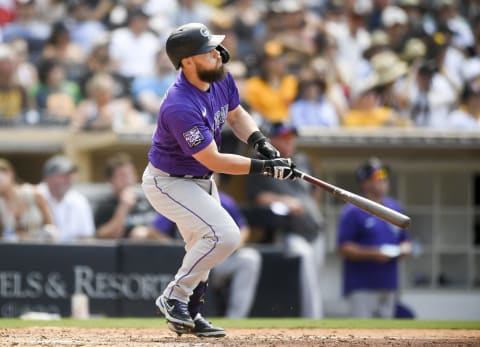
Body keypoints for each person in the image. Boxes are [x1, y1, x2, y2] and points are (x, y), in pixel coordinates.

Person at [141, 22, 295, 338]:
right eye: (206, 51)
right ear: (187, 61)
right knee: (225, 236)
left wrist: (260, 141)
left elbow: (236, 115)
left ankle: (192, 313)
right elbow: (214, 160)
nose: (216, 53)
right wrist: (265, 168)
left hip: (199, 180)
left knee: (204, 246)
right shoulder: (179, 104)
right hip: (168, 182)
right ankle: (174, 296)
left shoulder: (220, 77)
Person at [148, 176, 261, 319]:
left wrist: (228, 248)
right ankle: (178, 303)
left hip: (219, 260)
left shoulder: (225, 200)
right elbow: (155, 230)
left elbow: (243, 229)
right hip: (189, 256)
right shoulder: (181, 197)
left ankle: (235, 318)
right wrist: (176, 248)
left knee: (250, 258)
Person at [246, 122, 326, 319]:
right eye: (284, 136)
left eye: (292, 136)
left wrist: (310, 210)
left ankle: (313, 319)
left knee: (315, 279)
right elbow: (258, 197)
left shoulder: (302, 160)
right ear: (272, 139)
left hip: (314, 230)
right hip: (290, 232)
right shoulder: (261, 161)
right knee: (307, 277)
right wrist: (286, 201)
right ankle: (312, 320)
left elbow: (314, 192)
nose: (290, 140)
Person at [337, 157, 411, 319]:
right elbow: (343, 247)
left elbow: (405, 240)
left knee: (387, 336)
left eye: (384, 176)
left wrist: (404, 249)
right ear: (365, 182)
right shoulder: (352, 210)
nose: (383, 180)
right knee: (362, 335)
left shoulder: (395, 208)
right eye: (376, 176)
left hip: (389, 282)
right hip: (362, 284)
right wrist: (374, 253)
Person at [95, 152, 157, 240]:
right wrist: (124, 207)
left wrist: (148, 233)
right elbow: (103, 237)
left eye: (130, 174)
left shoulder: (149, 200)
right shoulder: (105, 206)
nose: (128, 180)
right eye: (122, 176)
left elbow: (166, 234)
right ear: (110, 180)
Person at [37, 155, 95, 242]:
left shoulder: (79, 200)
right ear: (48, 178)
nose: (69, 179)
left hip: (72, 253)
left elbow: (87, 237)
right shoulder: (35, 195)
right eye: (63, 175)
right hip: (39, 252)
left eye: (70, 175)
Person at [0, 158, 55, 241]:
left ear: (9, 174)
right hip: (13, 251)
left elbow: (52, 227)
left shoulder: (34, 194)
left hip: (40, 248)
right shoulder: (1, 203)